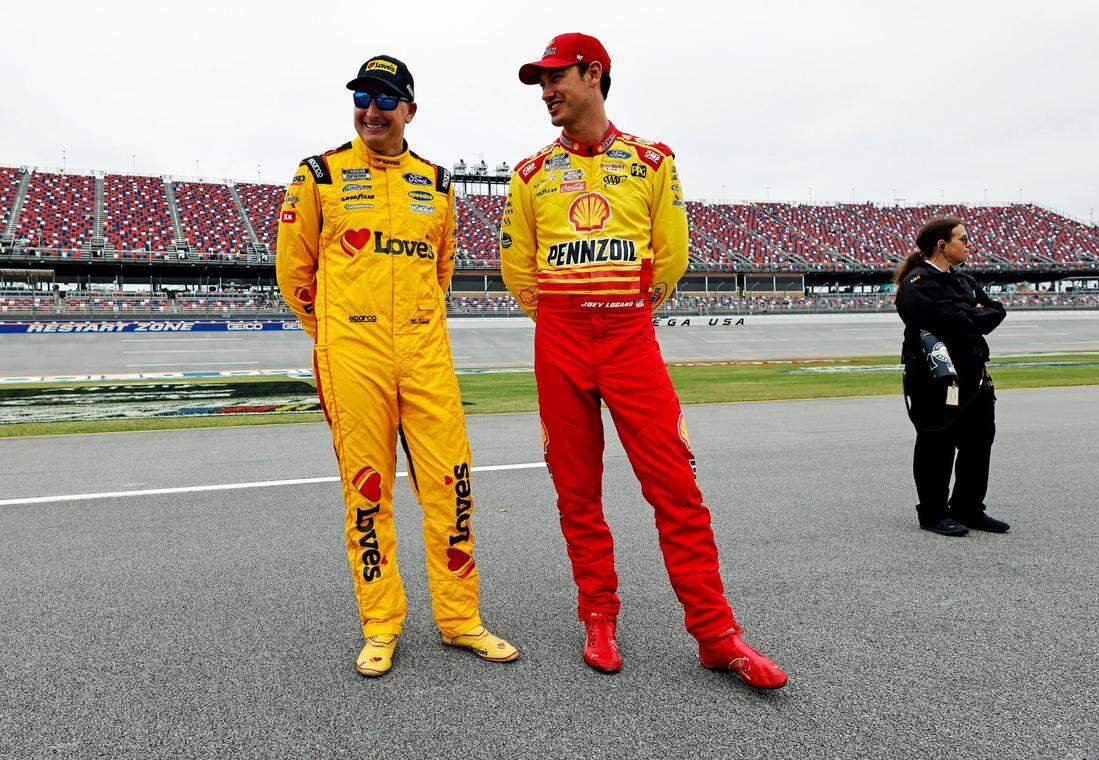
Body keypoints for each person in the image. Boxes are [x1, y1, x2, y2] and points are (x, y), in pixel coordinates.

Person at [500, 32, 787, 689]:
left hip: (631, 341)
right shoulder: (530, 174)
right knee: (577, 494)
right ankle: (598, 615)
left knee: (677, 489)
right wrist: (570, 317)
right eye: (540, 83)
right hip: (561, 344)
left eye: (555, 79)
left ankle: (717, 635)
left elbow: (673, 256)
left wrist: (620, 312)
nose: (546, 93)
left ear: (593, 74)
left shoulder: (653, 162)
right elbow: (519, 270)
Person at [276, 54, 518, 677]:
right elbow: (293, 273)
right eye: (362, 97)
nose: (371, 110)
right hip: (352, 354)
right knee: (368, 492)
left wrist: (412, 329)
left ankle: (460, 619)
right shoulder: (318, 174)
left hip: (425, 352)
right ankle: (381, 623)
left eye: (385, 100)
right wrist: (337, 334)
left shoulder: (436, 182)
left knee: (452, 485)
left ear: (409, 109)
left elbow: (440, 270)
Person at [894, 217, 1011, 537]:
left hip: (975, 376)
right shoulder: (917, 283)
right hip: (936, 378)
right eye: (963, 239)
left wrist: (969, 313)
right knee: (937, 443)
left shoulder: (964, 280)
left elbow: (994, 312)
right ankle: (933, 513)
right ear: (941, 245)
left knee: (979, 442)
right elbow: (950, 319)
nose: (968, 244)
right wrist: (970, 312)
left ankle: (968, 508)